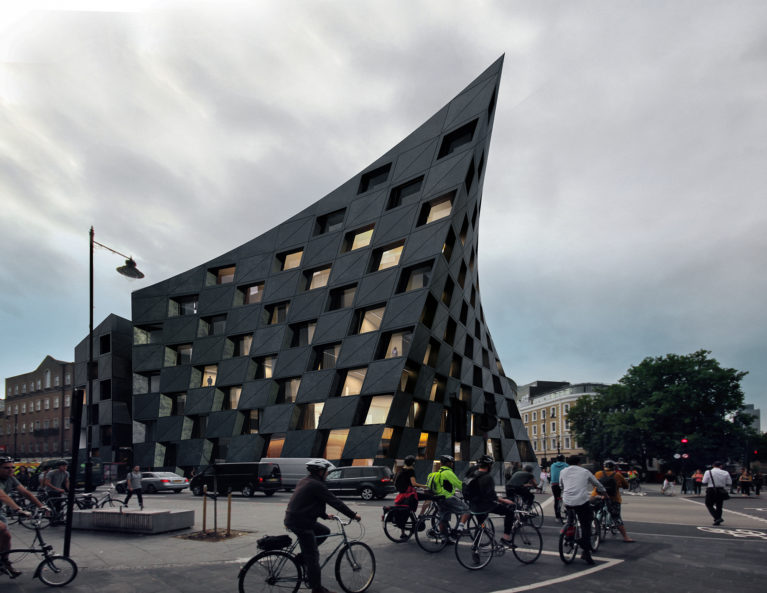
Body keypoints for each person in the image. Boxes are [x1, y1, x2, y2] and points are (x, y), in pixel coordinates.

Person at [284, 459, 360, 593]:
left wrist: (325, 516)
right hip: (301, 522)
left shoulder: (305, 481)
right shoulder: (316, 485)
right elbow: (335, 501)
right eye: (326, 472)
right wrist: (353, 515)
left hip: (295, 519)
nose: (327, 474)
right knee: (313, 556)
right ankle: (317, 589)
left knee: (324, 530)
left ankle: (302, 557)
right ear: (320, 471)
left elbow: (309, 503)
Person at [1, 458, 49, 578]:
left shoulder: (11, 478)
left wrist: (41, 506)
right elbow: (3, 497)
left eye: (12, 467)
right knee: (1, 528)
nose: (11, 469)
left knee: (6, 536)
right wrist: (19, 509)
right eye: (6, 467)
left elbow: (26, 493)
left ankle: (4, 562)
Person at [560, 455, 607, 565]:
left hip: (567, 500)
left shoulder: (563, 471)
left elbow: (561, 484)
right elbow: (597, 484)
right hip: (581, 501)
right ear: (579, 463)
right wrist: (605, 493)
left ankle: (569, 535)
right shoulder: (585, 471)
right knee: (586, 523)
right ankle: (586, 551)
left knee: (570, 519)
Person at [465, 455, 517, 547]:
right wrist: (504, 500)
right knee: (509, 513)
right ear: (488, 465)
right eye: (491, 465)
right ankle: (506, 538)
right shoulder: (487, 477)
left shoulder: (472, 475)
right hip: (485, 506)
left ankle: (475, 549)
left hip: (473, 506)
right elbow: (492, 496)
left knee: (481, 525)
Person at [427, 454, 470, 540]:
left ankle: (444, 538)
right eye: (451, 462)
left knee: (443, 519)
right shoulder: (448, 472)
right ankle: (459, 529)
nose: (452, 464)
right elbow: (459, 485)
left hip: (439, 498)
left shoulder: (438, 473)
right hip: (448, 497)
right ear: (447, 463)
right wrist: (469, 489)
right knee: (467, 510)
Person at [592, 460, 634, 542]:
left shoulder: (598, 473)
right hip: (613, 498)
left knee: (594, 511)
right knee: (616, 517)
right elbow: (626, 485)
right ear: (613, 467)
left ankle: (594, 525)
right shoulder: (617, 475)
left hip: (597, 496)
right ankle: (626, 537)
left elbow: (593, 483)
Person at [392, 455, 425, 539]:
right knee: (429, 497)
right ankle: (421, 515)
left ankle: (403, 533)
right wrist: (425, 486)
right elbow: (413, 483)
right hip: (409, 494)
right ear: (413, 462)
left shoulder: (400, 470)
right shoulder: (410, 470)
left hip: (401, 495)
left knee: (405, 511)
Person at [702, 461, 732, 526]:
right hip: (721, 490)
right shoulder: (725, 472)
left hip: (711, 489)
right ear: (721, 466)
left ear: (713, 465)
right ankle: (717, 520)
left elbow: (704, 481)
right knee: (719, 505)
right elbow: (729, 482)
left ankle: (717, 518)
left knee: (709, 504)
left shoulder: (708, 472)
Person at [549, 455, 569, 521]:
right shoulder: (566, 465)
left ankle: (557, 516)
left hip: (554, 484)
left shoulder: (552, 465)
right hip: (564, 484)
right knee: (567, 498)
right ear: (563, 459)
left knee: (556, 499)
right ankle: (568, 514)